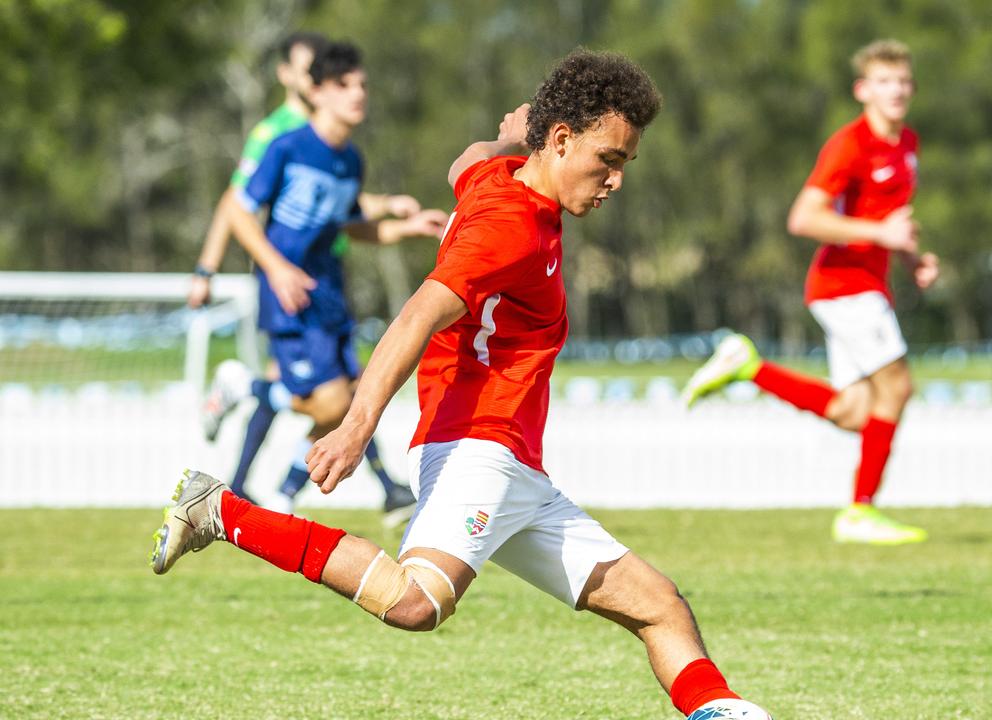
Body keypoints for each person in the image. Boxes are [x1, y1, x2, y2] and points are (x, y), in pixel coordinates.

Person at [152, 50, 771, 719]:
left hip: (516, 470)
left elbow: (466, 158)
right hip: (473, 445)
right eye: (610, 160)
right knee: (416, 603)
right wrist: (357, 427)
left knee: (659, 606)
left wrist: (512, 136)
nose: (616, 180)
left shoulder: (498, 175)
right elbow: (418, 312)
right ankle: (221, 510)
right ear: (561, 141)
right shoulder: (508, 229)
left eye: (625, 163)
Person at [681, 39, 938, 545]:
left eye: (904, 81)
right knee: (899, 388)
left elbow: (890, 224)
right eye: (885, 81)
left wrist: (911, 259)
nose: (897, 90)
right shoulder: (850, 144)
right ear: (863, 90)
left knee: (856, 412)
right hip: (843, 285)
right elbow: (804, 217)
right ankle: (860, 511)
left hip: (866, 286)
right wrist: (881, 236)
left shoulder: (908, 144)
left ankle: (749, 367)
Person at [194, 35, 435, 519]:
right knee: (331, 402)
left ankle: (283, 494)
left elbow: (347, 224)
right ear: (318, 91)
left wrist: (404, 228)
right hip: (289, 295)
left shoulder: (350, 159)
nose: (357, 94)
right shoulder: (287, 146)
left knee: (349, 402)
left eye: (362, 84)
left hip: (329, 293)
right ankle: (244, 388)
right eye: (344, 84)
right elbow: (237, 210)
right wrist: (277, 267)